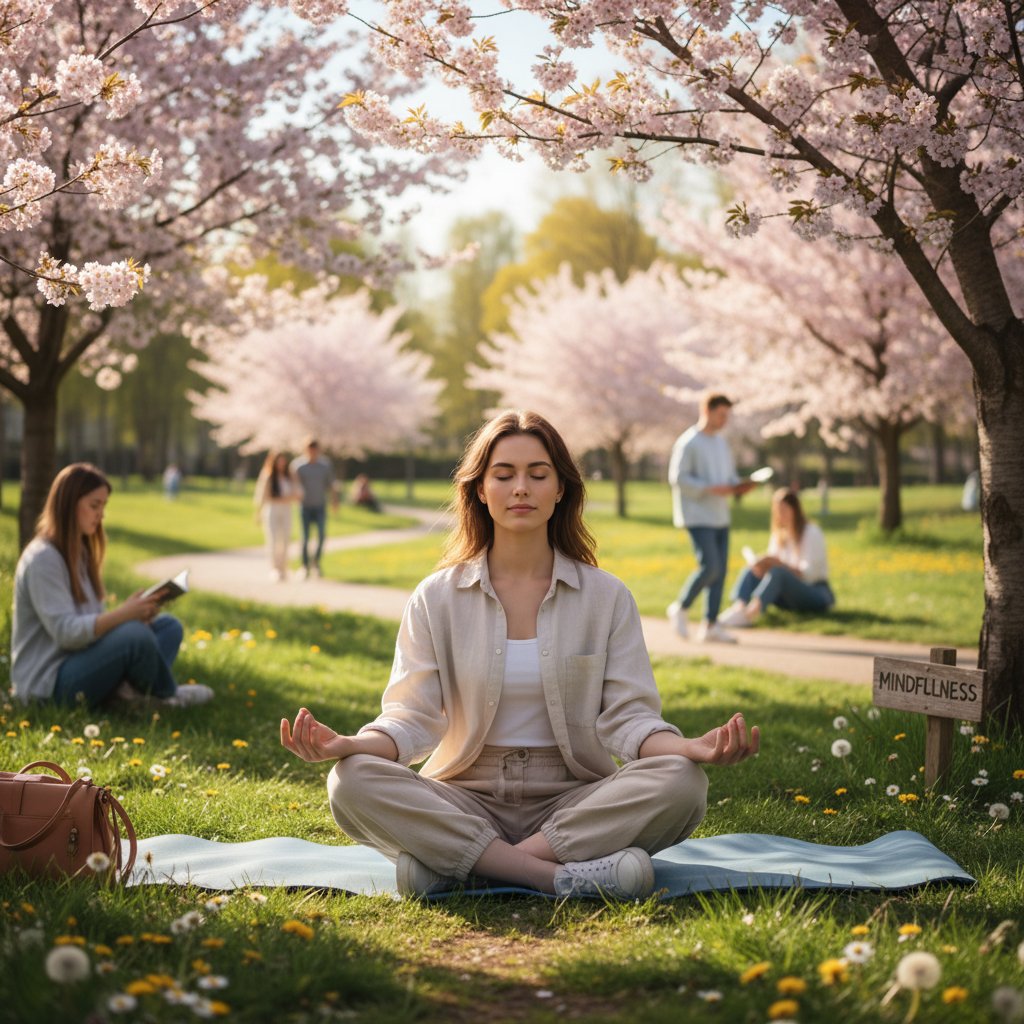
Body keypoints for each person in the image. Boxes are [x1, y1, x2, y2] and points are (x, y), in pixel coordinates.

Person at [281, 410, 759, 900]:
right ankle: (553, 875)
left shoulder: (607, 597)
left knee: (682, 782)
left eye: (538, 474)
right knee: (351, 781)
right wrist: (350, 745)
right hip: (463, 794)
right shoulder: (435, 597)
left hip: (575, 796)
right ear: (480, 491)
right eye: (503, 475)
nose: (521, 489)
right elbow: (411, 718)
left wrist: (689, 748)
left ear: (561, 490)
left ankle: (462, 868)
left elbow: (629, 719)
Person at [11, 463, 214, 708]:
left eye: (103, 506)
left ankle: (128, 697)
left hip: (80, 662)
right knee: (135, 636)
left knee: (168, 627)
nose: (101, 514)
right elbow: (66, 634)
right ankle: (169, 697)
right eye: (94, 505)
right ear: (68, 504)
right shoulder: (43, 558)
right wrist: (123, 616)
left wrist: (131, 613)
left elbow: (88, 625)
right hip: (48, 685)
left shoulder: (80, 552)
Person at [666, 393, 755, 644]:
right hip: (696, 515)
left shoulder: (720, 443)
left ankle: (711, 626)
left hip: (720, 515)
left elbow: (728, 477)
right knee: (711, 567)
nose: (725, 420)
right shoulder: (688, 442)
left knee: (721, 571)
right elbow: (678, 478)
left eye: (728, 415)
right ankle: (680, 607)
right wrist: (709, 488)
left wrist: (739, 487)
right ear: (707, 411)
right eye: (721, 415)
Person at [718, 488, 835, 628]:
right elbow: (773, 568)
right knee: (751, 569)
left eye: (784, 510)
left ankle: (750, 614)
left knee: (778, 572)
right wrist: (762, 565)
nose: (780, 515)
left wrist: (780, 565)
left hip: (815, 593)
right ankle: (739, 607)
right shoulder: (779, 535)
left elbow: (809, 575)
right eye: (777, 511)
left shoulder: (811, 533)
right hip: (786, 595)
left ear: (795, 510)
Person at [290, 439, 338, 579]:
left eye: (315, 449)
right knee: (305, 538)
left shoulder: (325, 466)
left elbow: (331, 484)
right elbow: (293, 485)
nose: (313, 452)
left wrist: (335, 501)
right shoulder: (298, 466)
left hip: (320, 506)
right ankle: (304, 566)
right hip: (304, 507)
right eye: (310, 449)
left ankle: (316, 563)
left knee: (322, 535)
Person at [254, 451, 302, 581]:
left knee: (285, 539)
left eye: (283, 461)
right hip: (272, 510)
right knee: (273, 539)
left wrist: (288, 498)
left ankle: (284, 568)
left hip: (286, 510)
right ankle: (274, 568)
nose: (281, 463)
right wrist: (257, 513)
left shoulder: (289, 476)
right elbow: (262, 496)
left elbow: (297, 493)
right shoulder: (269, 476)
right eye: (278, 461)